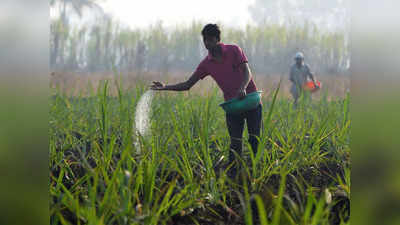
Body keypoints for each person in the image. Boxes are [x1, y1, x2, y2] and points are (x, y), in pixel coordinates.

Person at [150, 24, 262, 176]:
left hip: (250, 101)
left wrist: (243, 88)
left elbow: (247, 72)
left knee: (254, 139)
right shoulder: (206, 64)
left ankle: (256, 173)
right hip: (233, 106)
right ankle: (234, 176)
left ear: (217, 39)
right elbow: (187, 85)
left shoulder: (234, 50)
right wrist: (165, 87)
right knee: (235, 143)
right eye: (204, 40)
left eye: (209, 40)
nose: (206, 43)